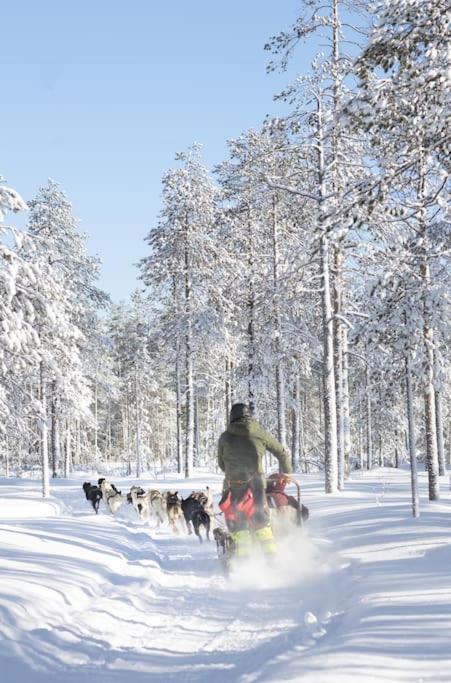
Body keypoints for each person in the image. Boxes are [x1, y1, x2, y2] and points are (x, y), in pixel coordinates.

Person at [217, 402, 292, 559]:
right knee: (261, 522)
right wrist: (286, 473)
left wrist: (233, 471)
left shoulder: (225, 437)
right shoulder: (259, 433)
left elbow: (221, 463)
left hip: (232, 486)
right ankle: (272, 558)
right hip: (256, 486)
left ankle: (242, 562)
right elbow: (282, 453)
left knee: (238, 525)